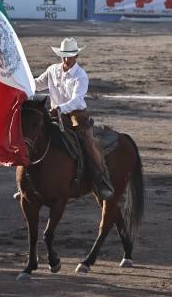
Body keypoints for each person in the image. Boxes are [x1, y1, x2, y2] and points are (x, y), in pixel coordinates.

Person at [33, 38, 113, 199]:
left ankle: (101, 178)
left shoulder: (81, 75)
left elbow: (77, 100)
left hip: (76, 115)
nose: (66, 59)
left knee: (88, 143)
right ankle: (29, 182)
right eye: (64, 56)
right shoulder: (52, 70)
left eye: (69, 56)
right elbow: (36, 84)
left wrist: (61, 108)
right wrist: (21, 82)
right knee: (34, 135)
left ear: (76, 56)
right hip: (55, 113)